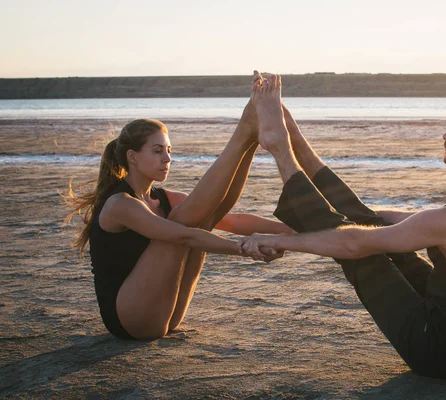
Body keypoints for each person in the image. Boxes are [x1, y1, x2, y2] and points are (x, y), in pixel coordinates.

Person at [241, 73, 446, 378]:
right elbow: (396, 223)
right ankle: (290, 137)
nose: (445, 135)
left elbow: (353, 245)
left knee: (362, 252)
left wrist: (280, 240)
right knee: (368, 224)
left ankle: (280, 148)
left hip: (442, 352)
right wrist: (348, 217)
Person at [66, 76, 290, 340]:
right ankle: (245, 131)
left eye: (169, 150)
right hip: (130, 319)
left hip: (166, 314)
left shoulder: (163, 198)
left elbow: (233, 220)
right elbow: (183, 236)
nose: (168, 158)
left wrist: (296, 232)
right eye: (158, 151)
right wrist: (244, 249)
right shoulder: (120, 204)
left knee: (205, 217)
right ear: (132, 157)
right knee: (182, 223)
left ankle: (250, 138)